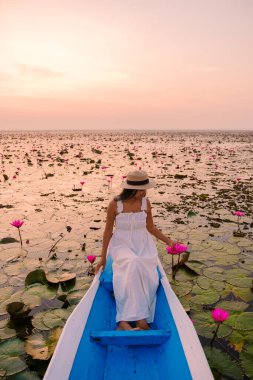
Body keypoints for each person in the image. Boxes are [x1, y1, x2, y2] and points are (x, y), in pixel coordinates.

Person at [95, 170, 176, 331]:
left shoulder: (146, 203)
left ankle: (125, 321)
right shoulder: (115, 204)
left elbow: (150, 227)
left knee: (147, 274)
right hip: (121, 245)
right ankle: (140, 319)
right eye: (142, 189)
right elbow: (107, 232)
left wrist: (169, 241)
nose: (145, 192)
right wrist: (103, 257)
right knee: (133, 263)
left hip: (143, 244)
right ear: (132, 189)